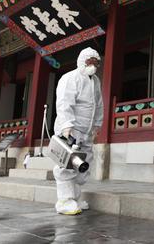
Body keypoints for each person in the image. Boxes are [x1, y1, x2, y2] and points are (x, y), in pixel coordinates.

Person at [53, 47, 103, 215]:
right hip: (71, 130)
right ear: (82, 61)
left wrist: (97, 124)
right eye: (90, 62)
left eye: (96, 63)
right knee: (66, 165)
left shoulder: (95, 80)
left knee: (82, 166)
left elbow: (98, 104)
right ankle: (64, 201)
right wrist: (67, 125)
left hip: (87, 131)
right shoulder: (70, 78)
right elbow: (64, 103)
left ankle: (75, 198)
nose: (93, 66)